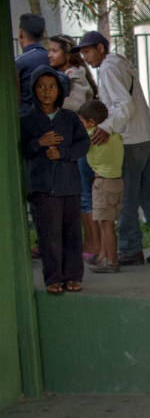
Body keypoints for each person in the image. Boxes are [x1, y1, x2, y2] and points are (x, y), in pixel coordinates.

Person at [74, 31, 150, 265]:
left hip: (130, 141)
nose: (85, 57)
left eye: (88, 51)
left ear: (101, 48)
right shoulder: (121, 63)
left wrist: (107, 126)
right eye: (82, 53)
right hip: (143, 137)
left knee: (124, 200)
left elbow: (124, 105)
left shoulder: (109, 68)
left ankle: (130, 249)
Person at [21, 66, 91, 294]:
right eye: (41, 86)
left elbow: (84, 144)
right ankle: (53, 278)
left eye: (52, 86)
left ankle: (72, 277)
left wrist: (63, 153)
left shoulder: (69, 118)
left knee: (72, 234)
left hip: (70, 187)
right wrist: (38, 143)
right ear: (33, 89)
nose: (47, 91)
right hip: (43, 189)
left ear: (60, 91)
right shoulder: (27, 120)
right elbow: (21, 149)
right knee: (49, 236)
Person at [48, 34, 101, 262]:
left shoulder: (74, 75)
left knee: (87, 197)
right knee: (84, 196)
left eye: (54, 50)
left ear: (67, 54)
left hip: (81, 144)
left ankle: (94, 244)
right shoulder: (69, 75)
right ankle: (92, 243)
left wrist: (51, 103)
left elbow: (75, 103)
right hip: (77, 143)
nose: (50, 54)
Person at [78, 100, 124, 274]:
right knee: (107, 222)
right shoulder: (115, 134)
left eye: (81, 122)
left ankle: (111, 261)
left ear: (91, 122)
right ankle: (104, 257)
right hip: (117, 182)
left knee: (106, 225)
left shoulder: (91, 136)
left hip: (102, 183)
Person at [16, 14, 51, 111]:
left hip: (24, 120)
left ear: (21, 33)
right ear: (43, 36)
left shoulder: (18, 62)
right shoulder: (52, 60)